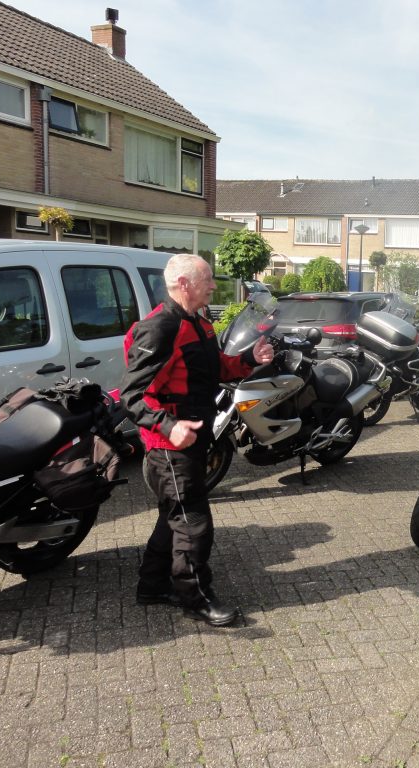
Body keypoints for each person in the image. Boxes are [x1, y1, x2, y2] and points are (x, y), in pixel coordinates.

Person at [121, 254, 275, 627]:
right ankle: (196, 598)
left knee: (173, 515)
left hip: (196, 438)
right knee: (193, 524)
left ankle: (151, 586)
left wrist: (249, 360)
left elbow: (216, 368)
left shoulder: (198, 322)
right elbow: (130, 395)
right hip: (170, 448)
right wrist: (166, 425)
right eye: (206, 279)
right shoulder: (160, 328)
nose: (213, 285)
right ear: (184, 283)